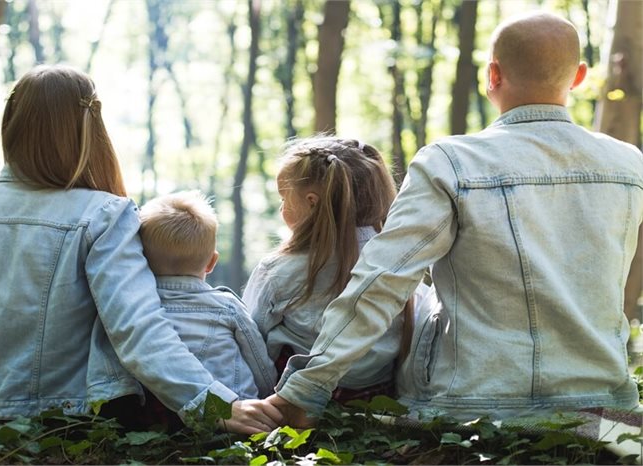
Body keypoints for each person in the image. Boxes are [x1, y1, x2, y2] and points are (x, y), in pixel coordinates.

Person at [267, 12, 643, 425]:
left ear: (492, 75)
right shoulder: (628, 165)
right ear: (579, 77)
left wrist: (306, 389)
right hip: (604, 402)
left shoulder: (450, 163)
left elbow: (382, 280)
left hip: (471, 404)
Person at [0, 65, 281, 434]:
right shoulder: (103, 214)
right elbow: (138, 329)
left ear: (11, 122)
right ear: (89, 129)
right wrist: (215, 405)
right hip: (78, 422)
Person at [242, 136, 437, 402]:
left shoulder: (278, 270)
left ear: (311, 202)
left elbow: (252, 338)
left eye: (284, 199)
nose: (281, 208)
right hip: (378, 397)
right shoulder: (400, 264)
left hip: (295, 400)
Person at [138, 190, 277, 399]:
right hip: (236, 410)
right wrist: (269, 394)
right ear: (212, 262)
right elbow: (259, 363)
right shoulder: (227, 307)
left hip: (164, 415)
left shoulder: (136, 308)